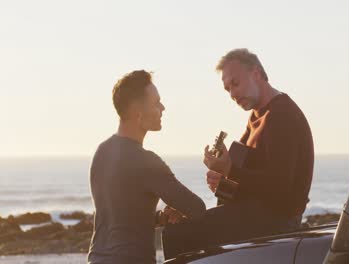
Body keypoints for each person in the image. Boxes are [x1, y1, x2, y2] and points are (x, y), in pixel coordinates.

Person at [162, 49, 314, 259]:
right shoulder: (256, 116)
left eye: (235, 83)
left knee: (179, 234)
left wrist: (229, 170)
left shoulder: (281, 115)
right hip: (255, 214)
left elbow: (280, 186)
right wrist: (223, 181)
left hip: (277, 221)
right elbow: (248, 183)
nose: (232, 94)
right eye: (227, 89)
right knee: (180, 226)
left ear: (257, 73)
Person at [88, 70, 206, 264]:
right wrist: (177, 210)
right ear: (138, 113)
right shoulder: (146, 162)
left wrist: (160, 217)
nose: (163, 108)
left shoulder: (102, 152)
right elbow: (197, 208)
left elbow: (122, 215)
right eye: (156, 103)